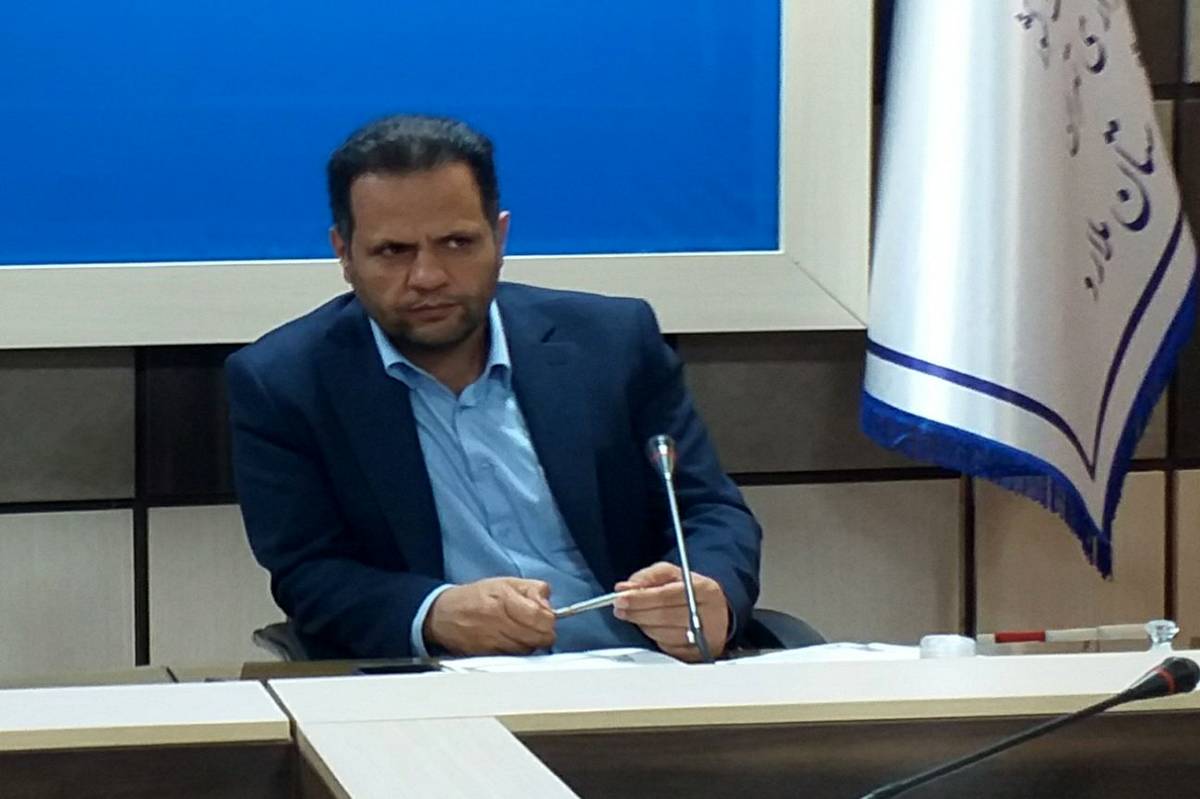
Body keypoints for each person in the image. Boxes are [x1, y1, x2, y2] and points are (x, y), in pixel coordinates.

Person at [227, 114, 761, 661]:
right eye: (393, 251)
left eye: (457, 243)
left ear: (499, 237)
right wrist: (435, 613)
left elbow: (707, 510)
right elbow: (308, 573)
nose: (428, 276)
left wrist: (711, 589)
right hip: (443, 685)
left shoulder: (612, 343)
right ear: (344, 252)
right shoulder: (285, 383)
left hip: (643, 669)